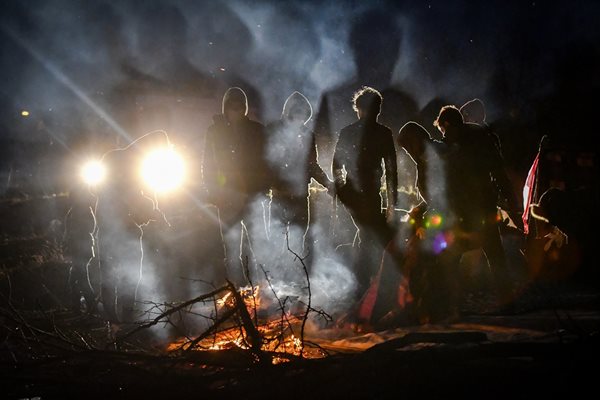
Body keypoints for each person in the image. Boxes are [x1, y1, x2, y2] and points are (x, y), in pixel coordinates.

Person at [433, 105, 521, 311]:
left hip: (463, 206)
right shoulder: (483, 137)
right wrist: (509, 199)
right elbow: (498, 170)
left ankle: (449, 303)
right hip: (483, 204)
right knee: (494, 252)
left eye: (444, 130)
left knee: (453, 253)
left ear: (446, 124)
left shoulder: (452, 143)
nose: (444, 134)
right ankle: (507, 301)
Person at [332, 86, 399, 307]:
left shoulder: (352, 132)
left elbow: (336, 165)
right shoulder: (381, 133)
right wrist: (391, 203)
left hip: (362, 194)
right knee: (372, 237)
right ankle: (366, 286)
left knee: (368, 237)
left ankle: (363, 287)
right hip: (364, 195)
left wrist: (342, 191)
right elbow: (391, 171)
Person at [202, 87, 271, 286]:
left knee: (256, 246)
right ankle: (235, 291)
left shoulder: (257, 130)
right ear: (226, 107)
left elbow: (265, 162)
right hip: (227, 197)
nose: (237, 110)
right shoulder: (215, 131)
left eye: (240, 106)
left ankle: (258, 289)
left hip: (253, 195)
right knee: (230, 248)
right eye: (232, 106)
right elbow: (207, 164)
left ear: (245, 107)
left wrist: (263, 189)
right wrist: (212, 191)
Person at [265, 91, 334, 258]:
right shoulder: (275, 132)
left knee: (302, 238)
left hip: (301, 196)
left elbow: (312, 165)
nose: (300, 117)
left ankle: (301, 276)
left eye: (303, 114)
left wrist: (327, 182)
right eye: (296, 112)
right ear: (289, 112)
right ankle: (278, 276)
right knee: (278, 238)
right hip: (280, 195)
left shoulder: (308, 136)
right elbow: (268, 162)